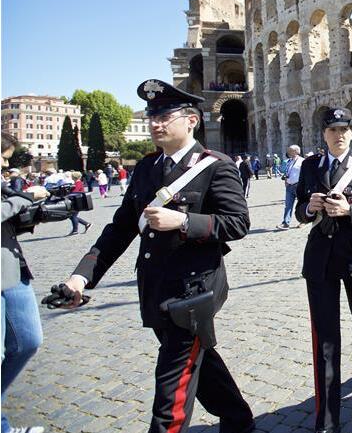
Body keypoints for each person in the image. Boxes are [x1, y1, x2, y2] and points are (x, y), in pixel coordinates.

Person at [57, 79, 254, 433]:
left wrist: (184, 221)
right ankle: (238, 418)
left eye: (164, 115)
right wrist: (81, 276)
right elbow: (120, 228)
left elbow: (238, 223)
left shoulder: (215, 166)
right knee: (201, 360)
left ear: (191, 120)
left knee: (171, 390)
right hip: (155, 288)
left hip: (193, 292)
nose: (155, 123)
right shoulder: (148, 168)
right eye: (152, 115)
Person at [295, 107, 352, 433]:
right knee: (325, 339)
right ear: (323, 134)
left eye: (344, 129)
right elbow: (299, 209)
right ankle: (327, 419)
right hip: (320, 258)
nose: (339, 135)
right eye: (332, 130)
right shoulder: (310, 167)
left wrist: (351, 210)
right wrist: (309, 207)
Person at [2, 133, 48, 433]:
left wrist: (30, 214)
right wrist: (24, 198)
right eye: (3, 157)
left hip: (12, 270)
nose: (5, 163)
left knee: (28, 341)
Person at [278, 145, 301, 228]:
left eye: (290, 150)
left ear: (296, 151)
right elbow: (287, 172)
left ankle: (303, 221)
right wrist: (286, 180)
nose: (288, 152)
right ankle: (285, 222)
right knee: (288, 205)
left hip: (298, 186)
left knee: (300, 204)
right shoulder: (289, 161)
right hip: (289, 186)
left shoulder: (302, 161)